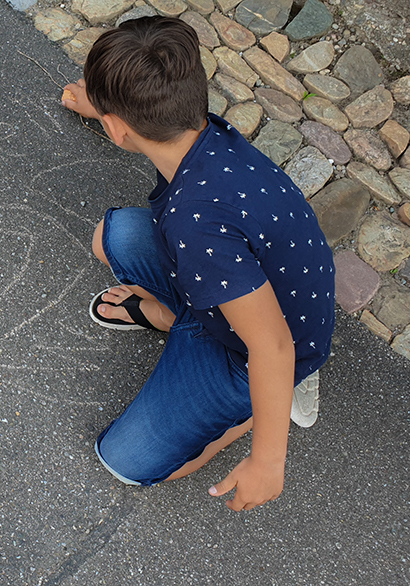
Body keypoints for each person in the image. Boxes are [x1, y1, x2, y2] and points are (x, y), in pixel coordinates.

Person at [61, 16, 334, 511]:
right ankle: (174, 318)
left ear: (117, 128)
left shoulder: (197, 224)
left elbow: (270, 344)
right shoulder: (205, 134)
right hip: (241, 286)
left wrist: (267, 461)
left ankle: (257, 403)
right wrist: (94, 106)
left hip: (260, 349)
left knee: (127, 461)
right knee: (113, 236)